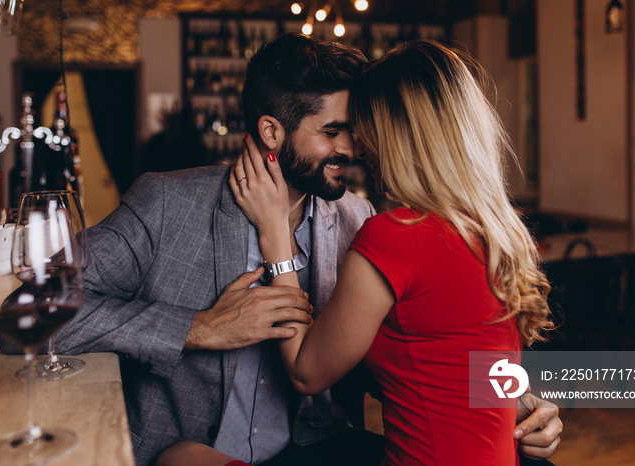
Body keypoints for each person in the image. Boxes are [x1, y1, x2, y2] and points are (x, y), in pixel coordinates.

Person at [0, 34, 561, 466]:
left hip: (320, 448)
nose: (355, 147)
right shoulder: (168, 204)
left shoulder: (361, 220)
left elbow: (423, 348)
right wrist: (197, 328)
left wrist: (515, 398)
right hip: (199, 451)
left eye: (360, 130)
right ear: (272, 132)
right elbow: (23, 314)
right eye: (335, 132)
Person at [229, 39, 557, 465]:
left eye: (364, 127)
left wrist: (275, 233)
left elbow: (306, 372)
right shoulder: (495, 232)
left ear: (399, 134)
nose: (357, 148)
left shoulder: (395, 237)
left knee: (179, 457)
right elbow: (464, 364)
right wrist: (523, 403)